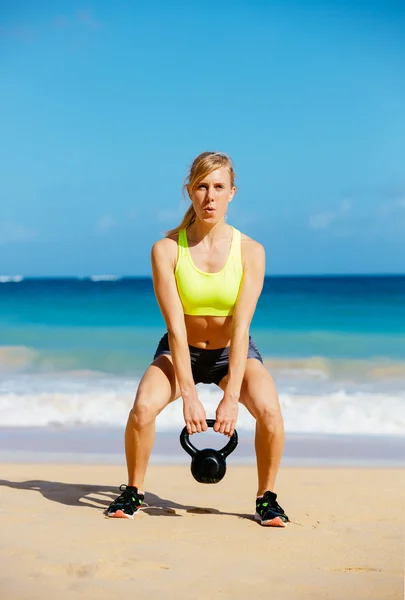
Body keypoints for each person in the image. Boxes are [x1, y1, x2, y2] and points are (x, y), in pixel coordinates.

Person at [107, 151, 289, 526]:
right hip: (180, 352)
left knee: (270, 411)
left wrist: (232, 396)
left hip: (230, 352)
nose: (210, 196)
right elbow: (175, 327)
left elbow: (241, 329)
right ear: (189, 191)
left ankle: (266, 498)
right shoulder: (167, 250)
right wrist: (188, 396)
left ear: (232, 193)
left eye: (218, 187)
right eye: (202, 187)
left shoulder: (252, 252)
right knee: (142, 409)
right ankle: (133, 491)